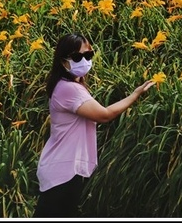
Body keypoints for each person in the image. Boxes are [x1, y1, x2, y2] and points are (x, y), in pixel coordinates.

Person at [33, 32, 156, 218]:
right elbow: (104, 115)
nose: (84, 60)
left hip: (64, 168)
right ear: (62, 61)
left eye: (88, 55)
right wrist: (135, 95)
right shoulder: (69, 89)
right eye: (77, 56)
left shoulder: (68, 85)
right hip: (63, 170)